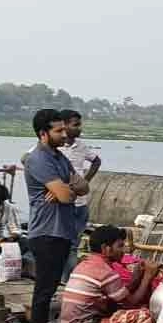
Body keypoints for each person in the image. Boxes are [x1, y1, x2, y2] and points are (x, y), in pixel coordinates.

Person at [24, 108, 88, 323]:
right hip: (46, 232)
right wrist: (66, 190)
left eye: (64, 129)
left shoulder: (60, 158)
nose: (64, 134)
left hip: (62, 230)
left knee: (51, 285)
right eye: (58, 131)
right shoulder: (38, 159)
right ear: (43, 133)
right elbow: (66, 196)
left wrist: (65, 188)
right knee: (44, 287)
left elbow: (83, 187)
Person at [59, 225, 157, 323]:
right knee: (145, 315)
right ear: (106, 249)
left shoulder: (83, 265)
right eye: (120, 246)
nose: (123, 251)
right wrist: (148, 276)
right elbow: (131, 303)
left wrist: (135, 279)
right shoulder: (105, 272)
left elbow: (121, 297)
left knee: (118, 311)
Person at [59, 109, 101, 282]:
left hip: (80, 204)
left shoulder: (81, 146)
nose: (79, 128)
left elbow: (96, 161)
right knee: (63, 243)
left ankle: (65, 279)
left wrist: (85, 181)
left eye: (79, 125)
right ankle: (64, 278)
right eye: (75, 125)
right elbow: (28, 158)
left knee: (73, 243)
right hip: (63, 202)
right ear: (64, 125)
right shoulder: (56, 146)